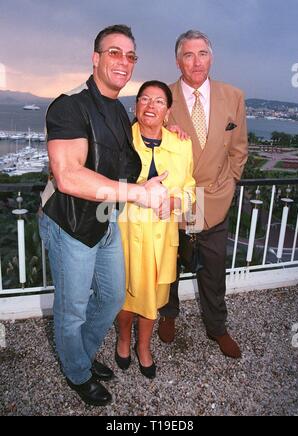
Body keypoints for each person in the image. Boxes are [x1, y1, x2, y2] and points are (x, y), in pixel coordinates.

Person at [38, 25, 169, 407]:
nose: (123, 62)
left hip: (104, 219)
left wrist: (165, 127)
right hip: (70, 224)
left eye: (130, 56)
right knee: (72, 309)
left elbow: (126, 162)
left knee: (111, 297)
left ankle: (80, 355)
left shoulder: (116, 110)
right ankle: (77, 372)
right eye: (114, 52)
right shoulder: (68, 105)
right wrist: (138, 194)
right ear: (95, 58)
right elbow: (68, 175)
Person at [158, 30, 248, 359]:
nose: (197, 62)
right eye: (188, 55)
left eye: (203, 54)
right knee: (169, 265)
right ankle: (168, 315)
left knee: (214, 270)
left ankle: (217, 327)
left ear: (212, 56)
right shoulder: (161, 97)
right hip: (176, 202)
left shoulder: (234, 96)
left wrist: (230, 184)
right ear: (177, 60)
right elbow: (141, 142)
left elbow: (239, 151)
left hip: (214, 201)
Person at [116, 81, 195, 378]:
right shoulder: (120, 139)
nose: (151, 106)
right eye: (144, 99)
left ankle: (144, 346)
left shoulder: (182, 144)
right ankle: (124, 340)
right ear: (136, 106)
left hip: (162, 238)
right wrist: (136, 191)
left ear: (168, 111)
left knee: (152, 298)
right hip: (124, 234)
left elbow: (191, 192)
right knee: (123, 295)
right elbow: (105, 185)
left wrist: (174, 201)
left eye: (159, 101)